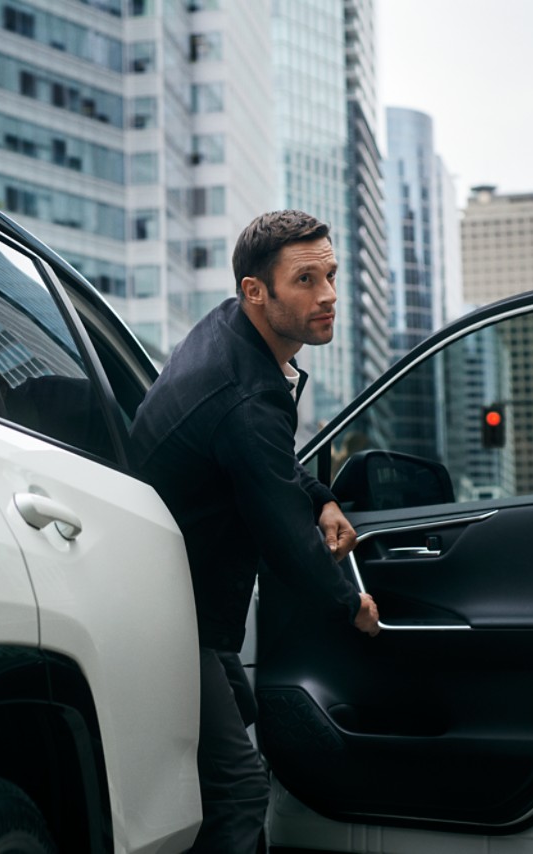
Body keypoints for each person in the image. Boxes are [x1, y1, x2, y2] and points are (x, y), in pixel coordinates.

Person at [129, 210, 380, 852]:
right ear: (256, 291)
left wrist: (321, 498)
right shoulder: (248, 394)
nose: (327, 295)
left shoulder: (232, 335)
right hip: (168, 612)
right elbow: (280, 532)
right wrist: (350, 605)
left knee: (240, 717)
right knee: (240, 791)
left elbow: (263, 466)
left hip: (186, 603)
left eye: (330, 274)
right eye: (305, 279)